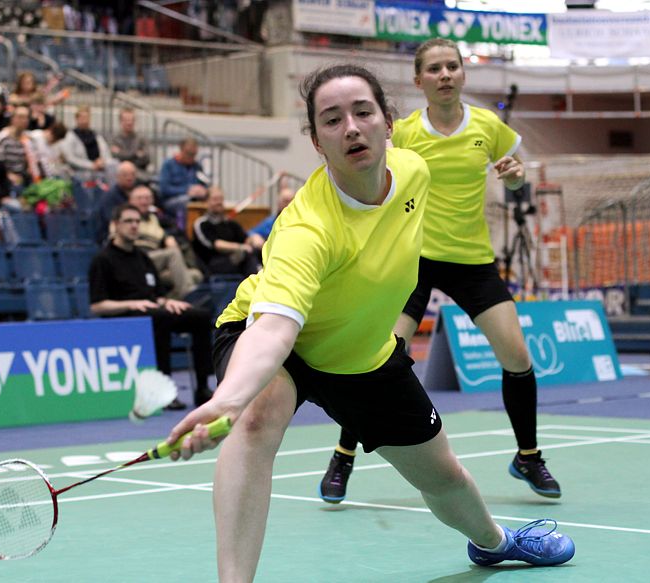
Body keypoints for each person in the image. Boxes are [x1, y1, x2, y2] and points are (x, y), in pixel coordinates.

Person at [164, 64, 575, 579]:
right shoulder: (306, 229)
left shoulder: (413, 171)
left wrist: (512, 181)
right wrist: (228, 400)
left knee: (443, 477)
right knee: (256, 418)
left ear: (388, 123)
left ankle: (494, 542)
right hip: (279, 341)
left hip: (363, 354)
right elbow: (272, 330)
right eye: (332, 120)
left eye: (362, 112)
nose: (352, 128)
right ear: (317, 142)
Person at [319, 39, 563, 506]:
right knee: (379, 357)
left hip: (473, 260)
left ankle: (528, 456)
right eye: (434, 68)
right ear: (419, 80)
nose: (445, 74)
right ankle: (342, 456)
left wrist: (516, 178)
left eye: (452, 66)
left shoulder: (488, 126)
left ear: (463, 74)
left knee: (517, 355)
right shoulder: (407, 132)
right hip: (414, 260)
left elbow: (518, 177)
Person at [89, 203, 216, 409]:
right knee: (160, 318)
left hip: (152, 310)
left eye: (137, 221)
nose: (134, 226)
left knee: (200, 316)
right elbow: (97, 306)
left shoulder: (142, 258)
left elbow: (157, 296)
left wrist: (168, 301)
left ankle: (203, 388)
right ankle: (163, 392)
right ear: (115, 225)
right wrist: (132, 303)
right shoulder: (102, 260)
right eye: (128, 221)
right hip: (123, 316)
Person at [128, 184, 203, 299]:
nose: (144, 202)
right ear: (130, 200)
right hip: (137, 258)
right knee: (172, 253)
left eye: (147, 198)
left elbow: (164, 234)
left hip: (155, 262)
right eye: (139, 198)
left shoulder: (154, 218)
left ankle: (170, 301)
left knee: (195, 275)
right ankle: (189, 298)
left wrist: (168, 237)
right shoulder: (126, 219)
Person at [191, 186, 261, 277]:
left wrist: (254, 238)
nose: (219, 202)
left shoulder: (230, 223)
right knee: (246, 254)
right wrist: (240, 247)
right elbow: (217, 245)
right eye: (215, 199)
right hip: (214, 263)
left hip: (237, 259)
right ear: (206, 202)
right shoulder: (202, 224)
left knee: (257, 250)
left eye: (221, 199)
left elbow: (245, 239)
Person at [157, 137, 207, 224]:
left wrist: (203, 190)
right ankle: (185, 229)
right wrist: (187, 190)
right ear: (181, 149)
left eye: (194, 154)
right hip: (172, 201)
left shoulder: (197, 166)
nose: (191, 156)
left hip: (195, 199)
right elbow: (164, 189)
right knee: (186, 202)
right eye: (189, 153)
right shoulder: (168, 165)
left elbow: (204, 184)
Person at [60, 105, 114, 182]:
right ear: (76, 119)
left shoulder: (96, 136)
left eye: (86, 118)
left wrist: (102, 161)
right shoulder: (70, 137)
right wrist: (91, 165)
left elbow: (106, 152)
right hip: (80, 173)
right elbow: (70, 158)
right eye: (82, 118)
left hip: (100, 170)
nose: (85, 121)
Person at [246, 185, 295, 249]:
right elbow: (251, 232)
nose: (288, 204)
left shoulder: (300, 221)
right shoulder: (271, 221)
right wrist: (254, 237)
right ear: (278, 203)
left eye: (291, 200)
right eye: (285, 201)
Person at [110, 107, 150, 174]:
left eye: (132, 120)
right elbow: (114, 157)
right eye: (126, 120)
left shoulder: (141, 139)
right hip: (120, 175)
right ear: (120, 121)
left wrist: (122, 153)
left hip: (139, 173)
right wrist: (135, 154)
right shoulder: (115, 139)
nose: (129, 123)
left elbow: (146, 159)